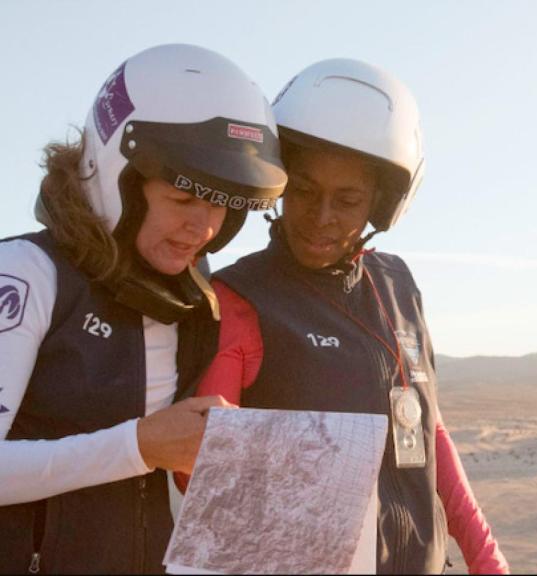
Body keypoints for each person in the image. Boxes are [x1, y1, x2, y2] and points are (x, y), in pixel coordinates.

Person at [191, 59, 509, 574]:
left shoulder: (398, 285)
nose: (321, 218)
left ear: (381, 204)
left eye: (348, 199)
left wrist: (486, 558)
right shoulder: (241, 297)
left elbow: (429, 433)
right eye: (305, 191)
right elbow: (202, 473)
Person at [0, 44, 287, 573]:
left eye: (223, 205)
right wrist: (140, 445)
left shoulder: (186, 302)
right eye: (183, 200)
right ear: (117, 176)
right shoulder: (26, 274)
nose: (203, 229)